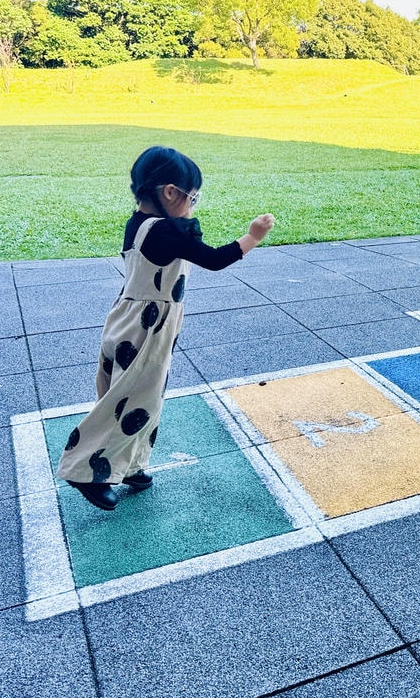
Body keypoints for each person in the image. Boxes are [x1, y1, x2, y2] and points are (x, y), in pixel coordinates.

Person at [57, 146, 275, 511]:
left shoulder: (139, 223)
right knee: (133, 398)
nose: (192, 206)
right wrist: (252, 236)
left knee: (137, 397)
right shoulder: (164, 232)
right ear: (171, 192)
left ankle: (127, 465)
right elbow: (214, 259)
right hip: (148, 327)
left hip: (127, 319)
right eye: (192, 198)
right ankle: (86, 470)